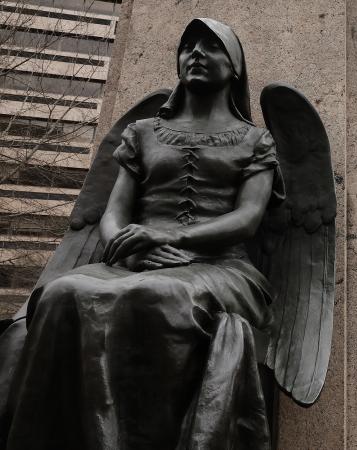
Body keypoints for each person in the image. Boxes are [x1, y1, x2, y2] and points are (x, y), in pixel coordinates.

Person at [1, 19, 280, 450]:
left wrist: (173, 240)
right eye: (188, 46)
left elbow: (247, 218)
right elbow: (112, 213)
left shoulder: (256, 140)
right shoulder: (143, 133)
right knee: (61, 292)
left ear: (236, 66)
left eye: (211, 46)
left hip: (220, 266)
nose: (196, 53)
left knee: (163, 296)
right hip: (134, 261)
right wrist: (127, 245)